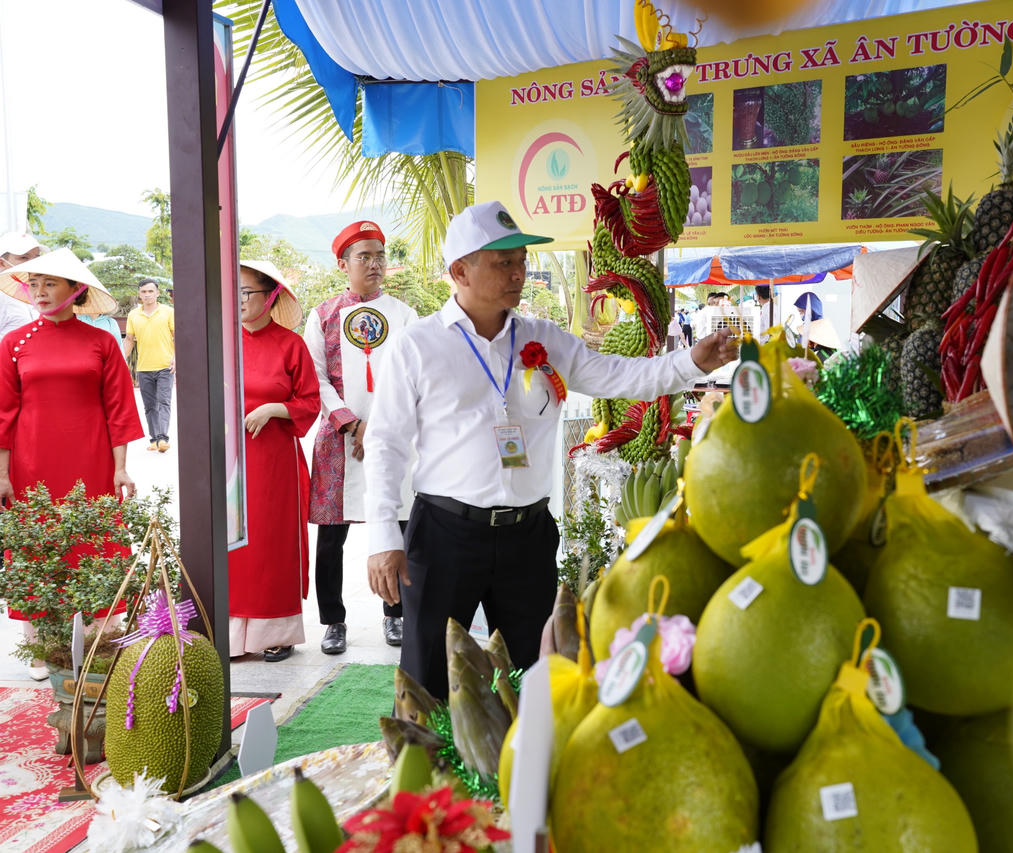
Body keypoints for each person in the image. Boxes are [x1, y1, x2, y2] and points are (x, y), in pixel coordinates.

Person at [363, 201, 739, 697]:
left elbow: (616, 375)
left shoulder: (541, 337)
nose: (518, 273)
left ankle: (531, 771)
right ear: (460, 271)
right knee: (429, 675)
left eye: (521, 260)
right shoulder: (416, 345)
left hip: (527, 535)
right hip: (444, 533)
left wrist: (691, 362)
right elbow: (386, 442)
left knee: (540, 676)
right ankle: (422, 774)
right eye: (503, 263)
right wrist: (383, 537)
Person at [0, 249, 143, 680]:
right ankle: (42, 646)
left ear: (75, 290)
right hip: (31, 464)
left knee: (94, 544)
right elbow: (3, 413)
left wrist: (121, 467)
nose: (39, 292)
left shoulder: (102, 342)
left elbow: (119, 408)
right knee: (37, 545)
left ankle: (100, 639)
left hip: (91, 460)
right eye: (34, 284)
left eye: (50, 283)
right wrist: (2, 474)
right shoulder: (14, 342)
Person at [303, 221, 418, 655]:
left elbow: (415, 375)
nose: (374, 264)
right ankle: (333, 620)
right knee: (331, 538)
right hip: (339, 440)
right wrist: (353, 423)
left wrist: (381, 426)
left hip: (392, 437)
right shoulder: (323, 315)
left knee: (399, 526)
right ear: (342, 264)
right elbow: (314, 377)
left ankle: (396, 613)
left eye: (379, 256)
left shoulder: (405, 315)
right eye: (363, 257)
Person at [229, 260, 321, 662]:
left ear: (269, 297)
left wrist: (273, 409)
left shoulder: (290, 344)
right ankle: (231, 634)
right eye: (234, 292)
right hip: (229, 457)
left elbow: (309, 401)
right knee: (230, 542)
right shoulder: (222, 343)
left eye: (246, 292)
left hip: (273, 461)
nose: (239, 300)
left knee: (271, 541)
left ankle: (276, 632)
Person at [123, 278, 175, 452]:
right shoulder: (133, 315)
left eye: (150, 291)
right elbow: (129, 340)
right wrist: (121, 361)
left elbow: (177, 336)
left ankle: (162, 438)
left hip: (165, 366)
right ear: (139, 294)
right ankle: (154, 439)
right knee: (149, 405)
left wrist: (177, 357)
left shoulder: (168, 312)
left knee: (164, 401)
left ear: (157, 293)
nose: (147, 295)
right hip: (144, 367)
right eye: (144, 292)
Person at [0, 233, 41, 336]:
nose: (33, 263)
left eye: (36, 258)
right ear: (2, 263)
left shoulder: (39, 293)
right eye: (24, 258)